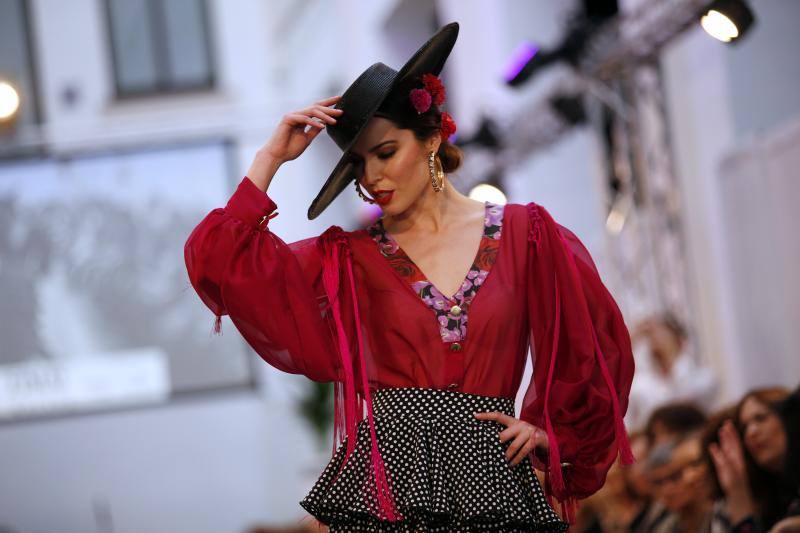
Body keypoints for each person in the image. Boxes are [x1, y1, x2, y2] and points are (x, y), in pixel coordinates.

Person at [184, 22, 635, 531]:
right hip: (390, 492)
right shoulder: (347, 260)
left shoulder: (526, 234)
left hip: (496, 482)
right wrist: (269, 159)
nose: (372, 177)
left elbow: (595, 346)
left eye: (385, 153)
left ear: (431, 138)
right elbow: (219, 263)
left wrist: (553, 434)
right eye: (357, 165)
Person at [708, 386, 800, 532]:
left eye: (761, 418)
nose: (752, 432)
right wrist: (736, 489)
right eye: (744, 428)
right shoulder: (767, 496)